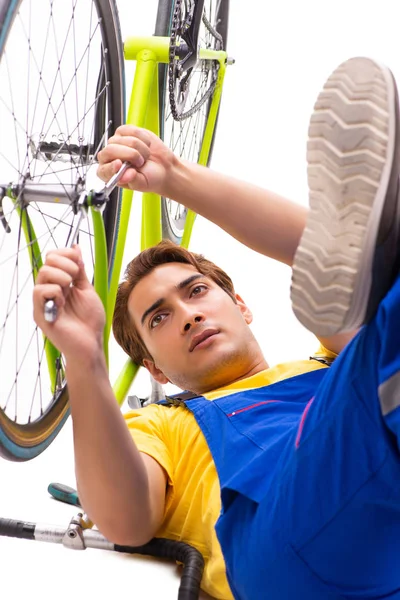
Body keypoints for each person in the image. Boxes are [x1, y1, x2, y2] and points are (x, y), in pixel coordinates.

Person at [33, 56, 400, 600]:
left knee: (372, 314)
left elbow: (339, 251)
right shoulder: (163, 425)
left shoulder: (322, 359)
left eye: (197, 291)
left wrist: (174, 176)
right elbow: (126, 520)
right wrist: (86, 359)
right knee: (373, 327)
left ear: (243, 305)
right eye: (159, 318)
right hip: (287, 548)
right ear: (154, 366)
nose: (188, 314)